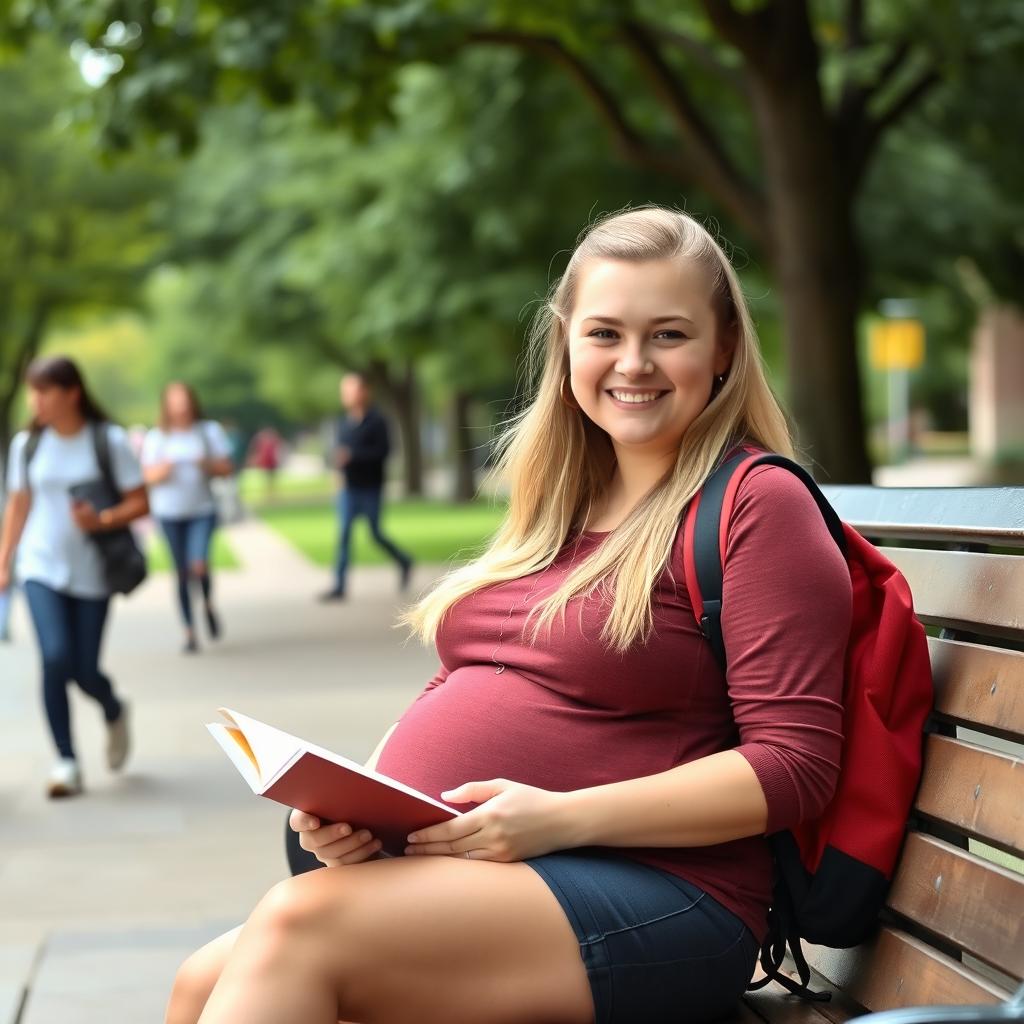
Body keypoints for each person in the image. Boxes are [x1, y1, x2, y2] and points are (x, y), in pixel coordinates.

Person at [166, 208, 851, 1024]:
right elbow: (472, 677)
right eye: (604, 333)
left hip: (665, 892)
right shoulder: (557, 499)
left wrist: (556, 819)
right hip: (498, 873)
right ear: (566, 344)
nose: (633, 363)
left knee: (295, 928)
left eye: (668, 334)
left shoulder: (753, 504)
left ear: (726, 347)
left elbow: (794, 766)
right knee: (201, 979)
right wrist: (362, 804)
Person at [0, 356, 148, 799]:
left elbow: (140, 502)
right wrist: (5, 560)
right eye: (33, 391)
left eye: (44, 390)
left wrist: (101, 519)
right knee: (55, 657)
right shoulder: (28, 444)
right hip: (40, 567)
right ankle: (66, 761)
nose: (36, 400)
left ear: (72, 393)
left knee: (85, 671)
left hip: (93, 574)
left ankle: (113, 707)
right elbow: (19, 505)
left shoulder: (107, 440)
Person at [142, 383, 234, 654]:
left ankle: (207, 603)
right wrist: (166, 467)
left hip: (201, 510)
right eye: (174, 400)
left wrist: (203, 463)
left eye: (184, 399)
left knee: (199, 564)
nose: (180, 405)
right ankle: (189, 631)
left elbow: (227, 468)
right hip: (169, 513)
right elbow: (146, 476)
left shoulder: (208, 432)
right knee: (181, 572)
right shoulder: (157, 437)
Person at [318, 372, 413, 602]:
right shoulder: (343, 424)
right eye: (345, 391)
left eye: (351, 390)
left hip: (371, 487)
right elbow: (338, 454)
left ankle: (404, 560)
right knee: (344, 534)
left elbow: (383, 452)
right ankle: (339, 586)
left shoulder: (377, 421)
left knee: (375, 533)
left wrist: (353, 456)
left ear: (364, 392)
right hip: (348, 489)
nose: (347, 395)